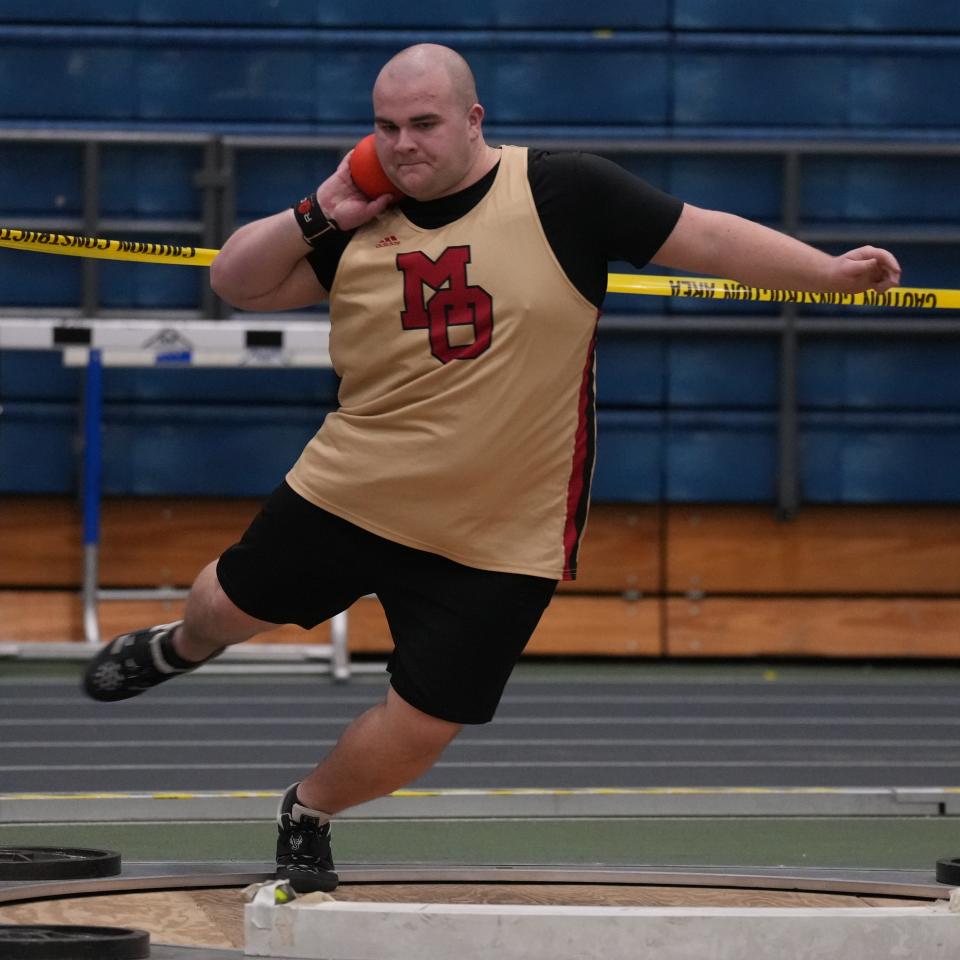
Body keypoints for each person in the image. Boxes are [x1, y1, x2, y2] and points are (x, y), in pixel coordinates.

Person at [82, 43, 901, 893]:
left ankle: (309, 809)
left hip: (504, 529)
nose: (403, 144)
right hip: (354, 487)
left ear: (474, 120)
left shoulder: (563, 192)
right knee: (225, 605)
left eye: (425, 124)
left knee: (425, 726)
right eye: (386, 126)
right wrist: (318, 210)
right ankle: (181, 645)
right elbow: (235, 282)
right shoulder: (358, 217)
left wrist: (828, 273)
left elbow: (707, 237)